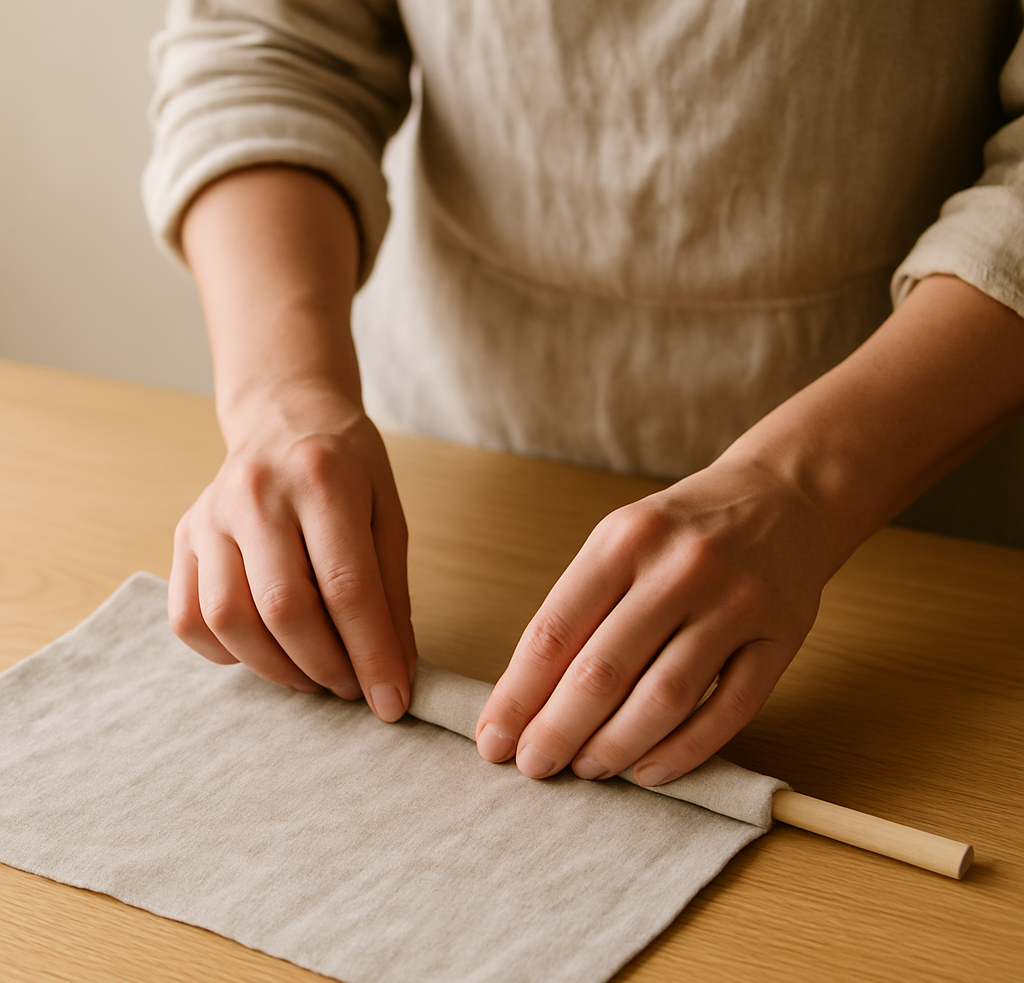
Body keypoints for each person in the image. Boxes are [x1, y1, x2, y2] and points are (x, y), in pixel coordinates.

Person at [145, 1, 1024, 789]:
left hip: (919, 517)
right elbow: (268, 47)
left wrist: (807, 485)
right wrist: (280, 397)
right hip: (457, 483)